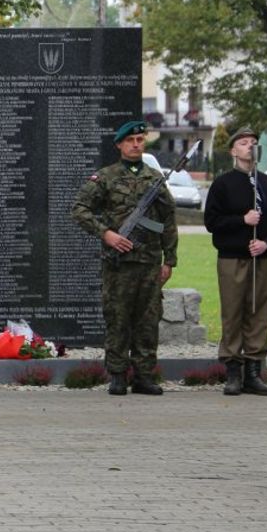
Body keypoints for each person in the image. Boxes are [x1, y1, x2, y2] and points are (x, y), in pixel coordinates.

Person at [72, 120, 178, 396]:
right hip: (118, 265)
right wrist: (106, 234)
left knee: (148, 320)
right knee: (118, 319)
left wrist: (170, 260)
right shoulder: (105, 177)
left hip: (149, 263)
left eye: (141, 140)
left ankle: (144, 376)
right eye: (130, 141)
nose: (136, 145)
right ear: (119, 144)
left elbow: (168, 220)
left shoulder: (155, 179)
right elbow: (80, 209)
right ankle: (118, 375)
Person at [204, 127, 267, 396]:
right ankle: (232, 372)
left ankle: (253, 371)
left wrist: (266, 242)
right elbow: (212, 222)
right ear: (233, 151)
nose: (250, 146)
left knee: (259, 313)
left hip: (261, 259)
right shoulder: (223, 184)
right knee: (233, 313)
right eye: (243, 143)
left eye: (253, 142)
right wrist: (243, 220)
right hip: (232, 259)